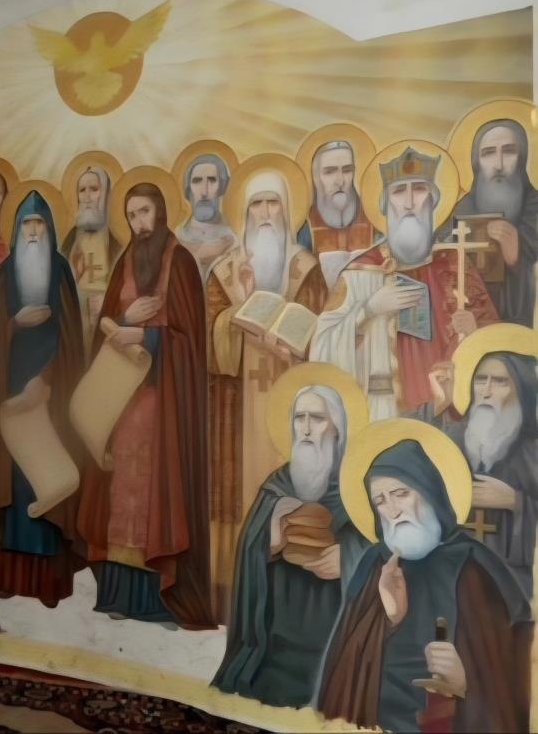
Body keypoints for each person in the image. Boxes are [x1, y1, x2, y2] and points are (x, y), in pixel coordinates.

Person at [317, 437, 532, 732]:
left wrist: (467, 680)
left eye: (401, 493)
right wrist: (389, 621)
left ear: (429, 491)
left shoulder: (474, 567)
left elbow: (514, 670)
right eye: (380, 501)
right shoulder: (375, 564)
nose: (392, 510)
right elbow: (344, 673)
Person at [78, 181, 214, 628]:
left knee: (155, 494)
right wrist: (122, 322)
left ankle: (158, 600)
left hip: (162, 402)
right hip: (122, 397)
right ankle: (118, 594)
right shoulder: (125, 263)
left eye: (145, 212)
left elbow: (190, 343)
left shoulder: (182, 263)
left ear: (160, 212)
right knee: (118, 491)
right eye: (132, 215)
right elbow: (105, 326)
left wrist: (146, 335)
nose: (139, 223)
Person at [207, 168, 327, 620]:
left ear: (287, 210)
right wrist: (237, 312)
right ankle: (231, 592)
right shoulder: (225, 271)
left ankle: (287, 595)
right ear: (244, 212)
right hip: (234, 406)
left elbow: (323, 335)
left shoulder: (306, 269)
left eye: (272, 203)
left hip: (293, 399)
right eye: (256, 204)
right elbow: (206, 336)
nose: (264, 213)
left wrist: (294, 349)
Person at [311, 146, 499, 419]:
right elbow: (322, 348)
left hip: (451, 414)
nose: (410, 202)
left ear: (434, 201)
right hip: (383, 412)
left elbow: (498, 348)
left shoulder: (456, 265)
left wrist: (475, 333)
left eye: (420, 189)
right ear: (385, 205)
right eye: (399, 191)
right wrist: (369, 309)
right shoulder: (360, 271)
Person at [214, 384, 367, 707]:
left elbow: (379, 546)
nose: (307, 428)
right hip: (276, 630)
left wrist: (349, 558)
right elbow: (249, 551)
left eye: (318, 418)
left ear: (337, 427)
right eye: (300, 418)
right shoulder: (277, 485)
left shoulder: (357, 487)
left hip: (331, 630)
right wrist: (271, 537)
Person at [0, 190, 85, 606]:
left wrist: (49, 381)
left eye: (39, 224)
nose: (33, 232)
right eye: (26, 225)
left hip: (50, 399)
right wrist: (13, 325)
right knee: (14, 486)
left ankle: (47, 583)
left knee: (49, 480)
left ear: (50, 229)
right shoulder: (4, 276)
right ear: (17, 230)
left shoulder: (60, 272)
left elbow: (73, 342)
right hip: (9, 400)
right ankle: (7, 576)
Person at [447, 351, 538, 595]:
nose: (486, 391)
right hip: (455, 572)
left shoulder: (533, 450)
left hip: (512, 581)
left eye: (500, 382)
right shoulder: (450, 441)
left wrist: (515, 501)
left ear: (520, 390)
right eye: (480, 379)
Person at [448, 119, 537, 326]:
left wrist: (517, 256)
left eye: (509, 151)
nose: (499, 165)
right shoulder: (461, 211)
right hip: (470, 325)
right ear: (476, 162)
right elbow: (441, 265)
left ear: (522, 158)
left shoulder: (535, 208)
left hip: (523, 329)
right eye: (488, 153)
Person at [60, 165, 124, 349]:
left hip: (107, 320)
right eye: (82, 190)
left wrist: (107, 302)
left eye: (94, 189)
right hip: (74, 320)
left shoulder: (116, 246)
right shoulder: (69, 243)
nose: (87, 197)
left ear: (106, 196)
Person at [300, 140, 374, 255]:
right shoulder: (306, 226)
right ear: (316, 178)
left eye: (347, 170)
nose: (340, 181)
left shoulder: (372, 220)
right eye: (329, 172)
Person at [174, 154, 236, 279]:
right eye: (197, 181)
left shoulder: (232, 240)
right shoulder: (177, 237)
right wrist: (200, 256)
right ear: (188, 188)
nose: (204, 192)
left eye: (212, 180)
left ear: (222, 187)